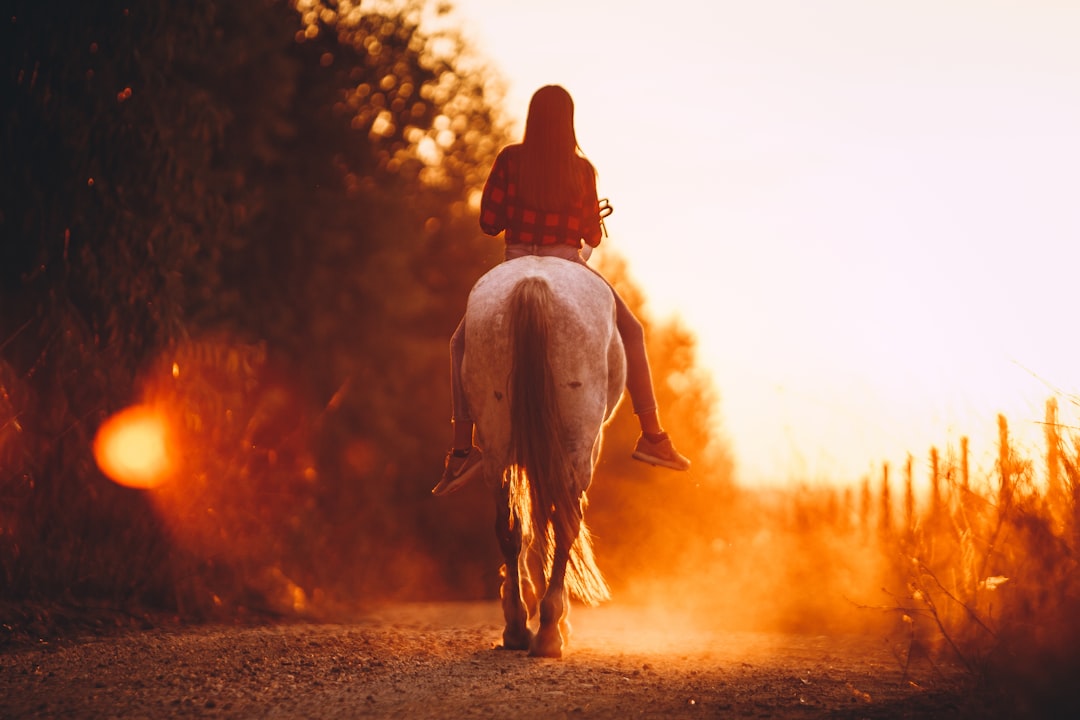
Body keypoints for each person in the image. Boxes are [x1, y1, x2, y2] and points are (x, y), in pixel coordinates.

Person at [433, 84, 690, 496]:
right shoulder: (582, 170)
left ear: (532, 118)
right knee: (633, 332)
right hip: (569, 260)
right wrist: (578, 237)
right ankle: (653, 436)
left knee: (459, 343)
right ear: (569, 121)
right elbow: (591, 235)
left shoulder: (510, 159)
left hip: (514, 259)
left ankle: (462, 451)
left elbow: (489, 222)